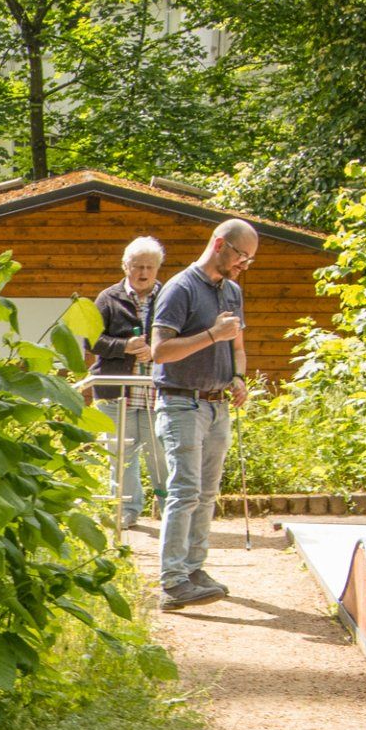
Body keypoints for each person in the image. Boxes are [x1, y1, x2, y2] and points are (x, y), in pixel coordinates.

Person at [150, 220, 259, 611]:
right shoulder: (180, 288)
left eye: (249, 259)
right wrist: (212, 335)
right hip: (181, 401)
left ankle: (194, 570)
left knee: (208, 493)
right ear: (218, 244)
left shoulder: (232, 291)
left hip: (217, 404)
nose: (243, 265)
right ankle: (172, 581)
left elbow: (239, 346)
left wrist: (239, 377)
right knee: (184, 491)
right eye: (240, 256)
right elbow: (160, 352)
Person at [90, 237, 170, 530]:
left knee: (160, 452)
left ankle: (168, 508)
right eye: (137, 266)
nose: (143, 272)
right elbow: (92, 341)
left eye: (150, 266)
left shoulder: (170, 296)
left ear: (158, 268)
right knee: (121, 455)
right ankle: (126, 509)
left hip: (157, 389)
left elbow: (180, 336)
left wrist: (157, 350)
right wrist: (125, 346)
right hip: (116, 391)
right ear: (125, 266)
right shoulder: (108, 298)